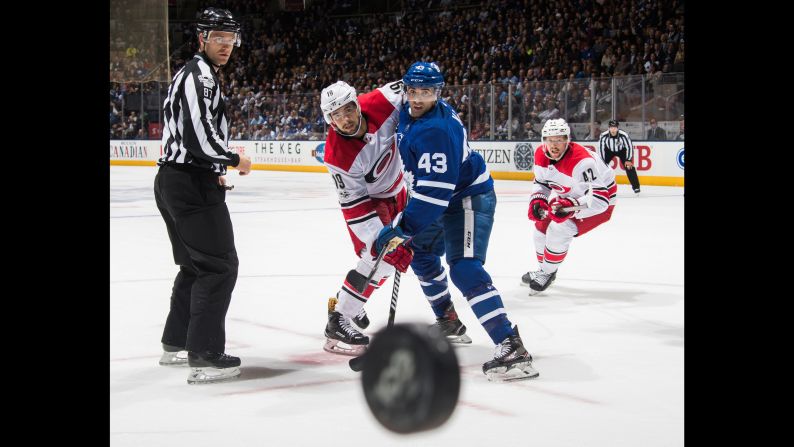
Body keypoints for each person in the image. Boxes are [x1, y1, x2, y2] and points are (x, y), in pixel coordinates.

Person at [375, 61, 539, 381]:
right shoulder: (410, 112)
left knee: (463, 267)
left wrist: (402, 228)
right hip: (444, 197)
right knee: (420, 252)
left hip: (468, 196)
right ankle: (448, 320)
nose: (418, 98)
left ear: (438, 93)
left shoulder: (436, 130)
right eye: (412, 91)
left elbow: (435, 197)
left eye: (426, 92)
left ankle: (510, 343)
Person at [154, 7, 252, 384]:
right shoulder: (200, 77)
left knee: (195, 266)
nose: (226, 46)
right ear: (202, 39)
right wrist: (233, 159)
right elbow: (198, 139)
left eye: (231, 40)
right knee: (219, 265)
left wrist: (215, 168)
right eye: (219, 39)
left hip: (177, 181)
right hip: (188, 183)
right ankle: (204, 353)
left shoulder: (199, 75)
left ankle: (175, 342)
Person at [319, 80, 413, 356]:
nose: (346, 119)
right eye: (337, 115)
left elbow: (416, 89)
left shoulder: (383, 100)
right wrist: (385, 242)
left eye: (348, 109)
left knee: (384, 263)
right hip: (370, 203)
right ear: (330, 119)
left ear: (357, 103)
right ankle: (340, 318)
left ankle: (351, 303)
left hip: (398, 189)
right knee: (380, 258)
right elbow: (356, 209)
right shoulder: (337, 155)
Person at [521, 118, 617, 295]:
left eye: (559, 140)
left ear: (567, 141)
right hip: (573, 196)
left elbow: (600, 201)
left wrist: (572, 206)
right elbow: (541, 182)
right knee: (540, 227)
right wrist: (538, 198)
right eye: (550, 140)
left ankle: (548, 272)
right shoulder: (540, 155)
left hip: (599, 202)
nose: (554, 145)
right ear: (543, 141)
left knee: (560, 229)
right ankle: (545, 270)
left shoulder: (583, 162)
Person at [598, 120, 641, 194]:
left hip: (622, 151)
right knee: (601, 168)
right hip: (609, 151)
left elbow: (629, 147)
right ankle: (599, 186)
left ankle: (636, 187)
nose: (613, 129)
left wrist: (628, 159)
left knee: (629, 167)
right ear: (608, 128)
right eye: (611, 127)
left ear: (617, 128)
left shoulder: (623, 135)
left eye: (614, 127)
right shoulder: (603, 136)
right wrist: (602, 162)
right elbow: (601, 148)